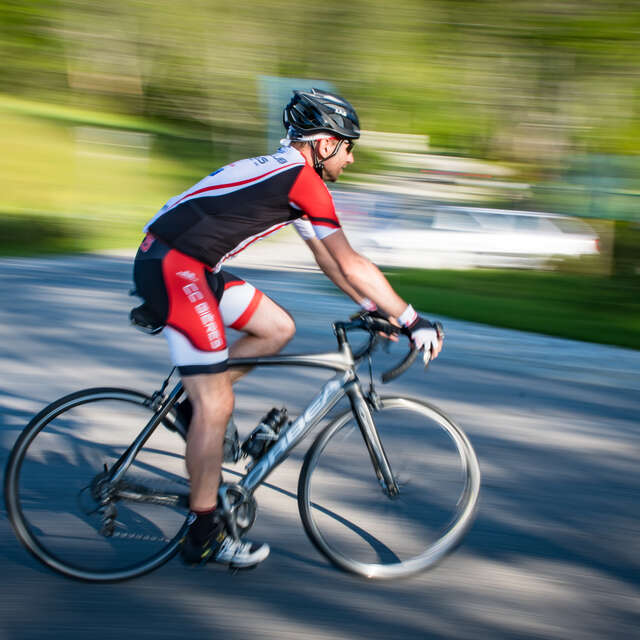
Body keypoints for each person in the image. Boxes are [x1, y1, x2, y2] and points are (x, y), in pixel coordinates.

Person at [132, 88, 444, 569]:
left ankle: (197, 408)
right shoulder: (300, 181)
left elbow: (329, 260)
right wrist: (409, 318)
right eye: (348, 145)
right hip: (176, 268)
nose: (352, 158)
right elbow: (350, 260)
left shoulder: (288, 176)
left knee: (276, 327)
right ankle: (204, 532)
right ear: (323, 144)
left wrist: (370, 305)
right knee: (217, 403)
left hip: (192, 264)